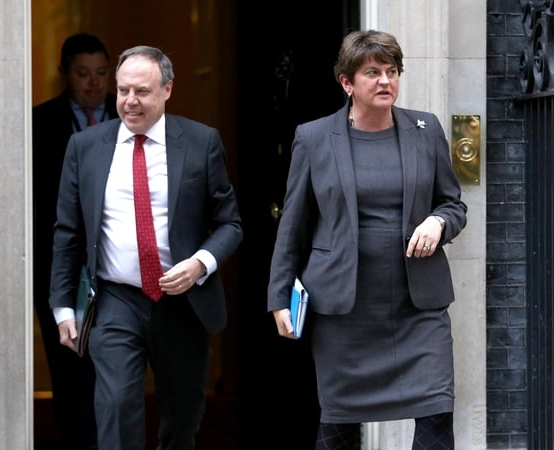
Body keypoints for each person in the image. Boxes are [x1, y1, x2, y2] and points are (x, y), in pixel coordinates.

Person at [267, 29, 468, 450]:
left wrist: (437, 223)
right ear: (346, 82)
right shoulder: (315, 137)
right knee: (338, 426)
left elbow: (452, 204)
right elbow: (295, 224)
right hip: (345, 310)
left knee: (436, 414)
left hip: (419, 307)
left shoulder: (424, 129)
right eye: (372, 72)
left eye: (392, 71)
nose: (385, 81)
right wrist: (279, 296)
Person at [49, 44, 243, 450]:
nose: (130, 102)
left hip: (183, 301)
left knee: (183, 417)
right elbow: (67, 232)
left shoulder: (200, 142)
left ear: (167, 90)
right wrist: (63, 306)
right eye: (122, 91)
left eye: (142, 91)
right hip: (116, 299)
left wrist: (200, 264)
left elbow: (230, 224)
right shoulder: (85, 147)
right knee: (117, 404)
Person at [33, 32, 117, 449]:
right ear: (64, 74)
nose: (94, 83)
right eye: (83, 74)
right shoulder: (36, 125)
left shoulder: (131, 119)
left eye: (102, 73)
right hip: (61, 270)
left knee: (118, 368)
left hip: (121, 266)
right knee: (69, 372)